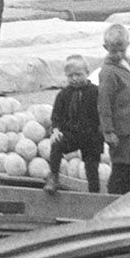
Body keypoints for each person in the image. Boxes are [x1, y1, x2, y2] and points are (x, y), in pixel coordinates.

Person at [97, 26, 130, 196]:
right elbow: (104, 104)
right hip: (119, 130)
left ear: (128, 45)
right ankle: (113, 199)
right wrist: (108, 131)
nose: (118, 54)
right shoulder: (108, 72)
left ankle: (126, 198)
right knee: (120, 166)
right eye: (114, 51)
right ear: (106, 48)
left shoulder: (126, 63)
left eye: (122, 50)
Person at [43, 54, 104, 195]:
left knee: (91, 167)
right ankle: (53, 177)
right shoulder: (63, 95)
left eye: (78, 74)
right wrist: (56, 130)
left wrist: (105, 130)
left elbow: (103, 113)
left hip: (92, 136)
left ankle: (94, 193)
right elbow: (56, 116)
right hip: (72, 134)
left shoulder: (96, 92)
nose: (74, 78)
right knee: (56, 144)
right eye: (70, 76)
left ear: (87, 73)